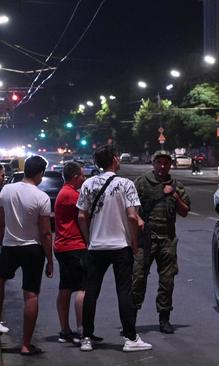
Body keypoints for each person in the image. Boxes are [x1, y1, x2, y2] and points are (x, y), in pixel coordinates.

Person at [77, 145, 151, 352]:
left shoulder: (88, 184)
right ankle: (130, 338)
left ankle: (86, 338)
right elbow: (131, 216)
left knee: (91, 291)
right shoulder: (126, 184)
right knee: (124, 291)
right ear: (114, 159)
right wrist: (134, 242)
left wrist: (89, 239)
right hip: (120, 246)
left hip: (96, 246)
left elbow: (82, 216)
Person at [0, 155, 54, 356]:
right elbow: (46, 233)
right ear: (40, 174)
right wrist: (50, 260)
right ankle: (25, 345)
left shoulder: (6, 190)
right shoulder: (41, 197)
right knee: (31, 295)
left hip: (9, 245)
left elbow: (1, 221)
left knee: (0, 282)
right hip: (32, 248)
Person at [133, 150, 190, 334]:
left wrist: (175, 196)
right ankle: (131, 318)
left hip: (167, 239)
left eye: (166, 163)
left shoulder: (176, 185)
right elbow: (130, 207)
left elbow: (184, 211)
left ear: (170, 165)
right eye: (159, 162)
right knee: (138, 278)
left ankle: (164, 318)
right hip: (146, 239)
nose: (162, 166)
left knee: (167, 281)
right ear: (154, 163)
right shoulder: (142, 183)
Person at [54, 162, 88, 344]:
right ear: (75, 177)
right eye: (82, 176)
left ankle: (65, 330)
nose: (84, 178)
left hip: (63, 246)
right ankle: (82, 330)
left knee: (65, 288)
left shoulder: (64, 192)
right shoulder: (71, 194)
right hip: (74, 246)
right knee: (83, 288)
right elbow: (87, 212)